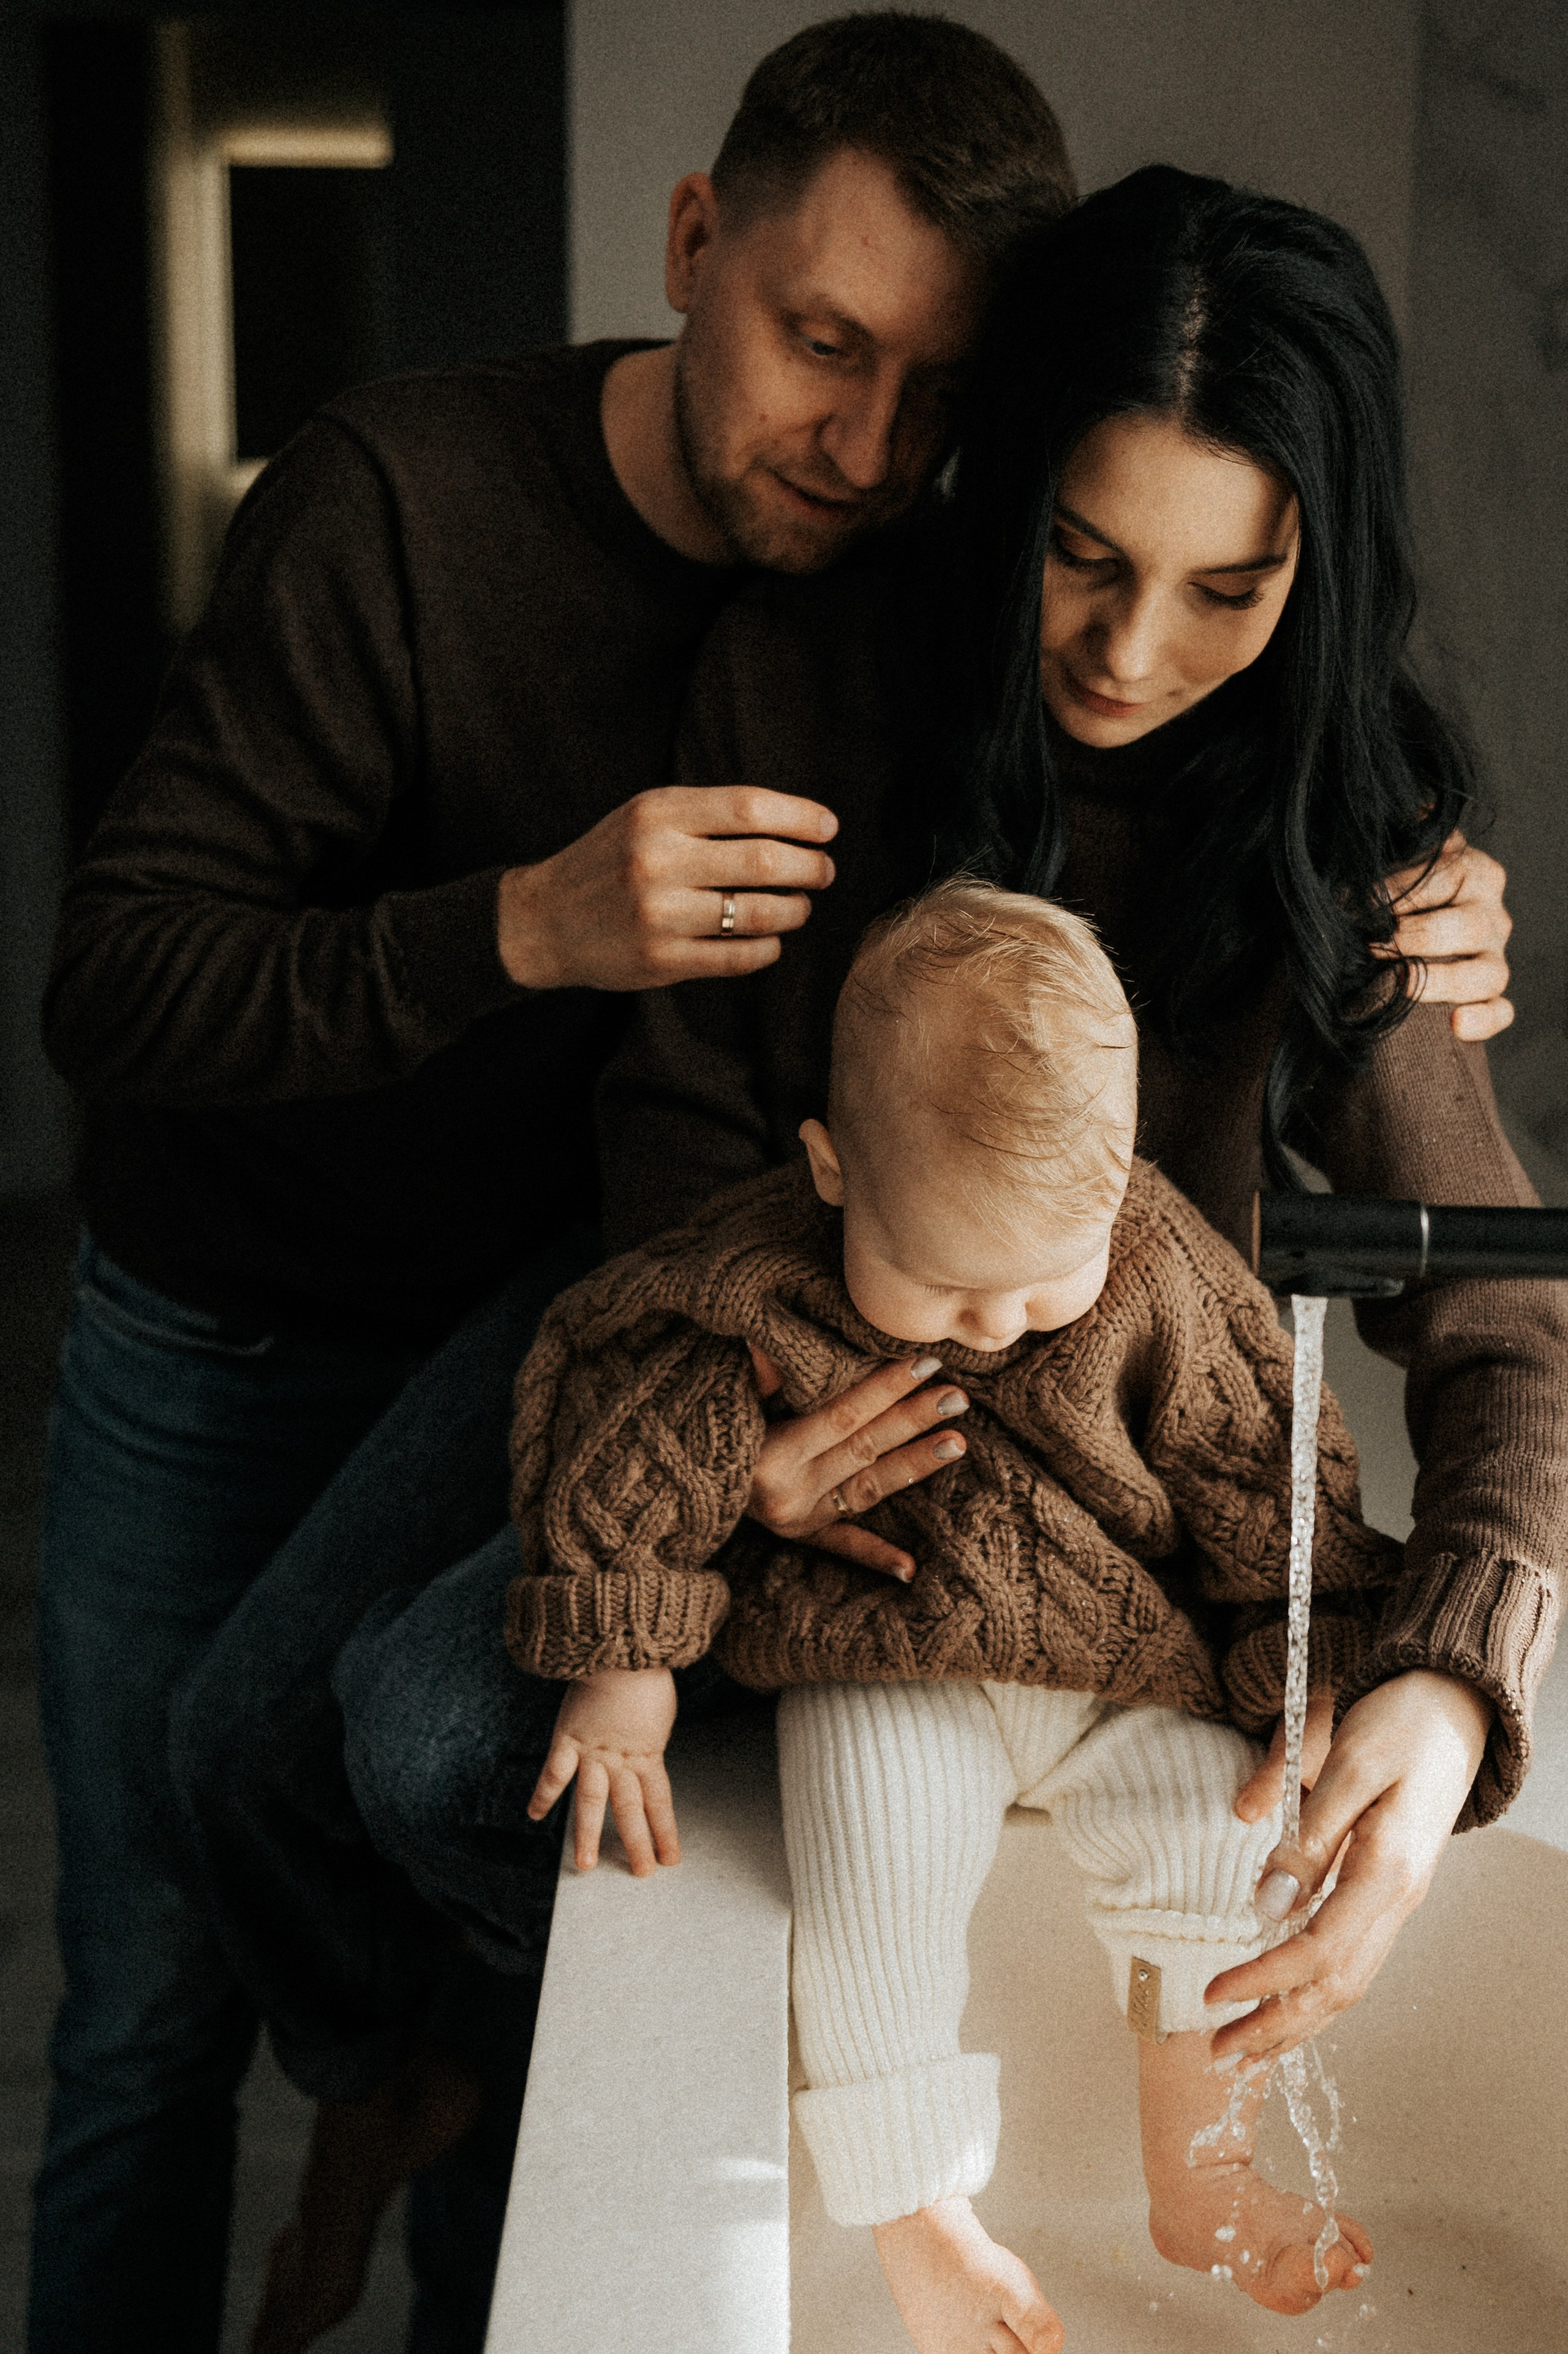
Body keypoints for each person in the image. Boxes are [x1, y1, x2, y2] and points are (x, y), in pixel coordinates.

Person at [168, 120, 1515, 2354]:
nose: (1131, 649)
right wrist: (742, 1466)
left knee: (428, 1738)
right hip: (743, 1314)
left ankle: (532, 2090)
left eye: (1226, 587)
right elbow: (681, 1138)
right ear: (1005, 492)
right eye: (1083, 556)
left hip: (1071, 1435)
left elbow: (1500, 1297)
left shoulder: (1340, 819)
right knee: (296, 1734)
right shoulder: (818, 676)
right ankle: (445, 2076)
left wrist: (1458, 1687)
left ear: (1317, 567)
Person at [32, 18, 1082, 2353]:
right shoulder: (392, 497)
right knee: (142, 2030)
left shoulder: (905, 588)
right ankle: (361, 2085)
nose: (871, 442)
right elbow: (113, 983)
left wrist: (1423, 893)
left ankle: (419, 2162)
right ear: (695, 242)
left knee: (539, 1933)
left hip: (543, 1339)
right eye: (822, 343)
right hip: (222, 1342)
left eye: (934, 387)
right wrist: (520, 924)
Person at [507, 880, 1389, 2347]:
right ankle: (920, 2214)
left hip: (1121, 1674)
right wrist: (626, 1668)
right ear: (831, 1167)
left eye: (1041, 1289)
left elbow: (1268, 1485)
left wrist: (1310, 1663)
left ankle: (1201, 2164)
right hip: (889, 1654)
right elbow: (633, 1423)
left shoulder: (1164, 1279)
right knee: (872, 1882)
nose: (990, 1326)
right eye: (938, 1286)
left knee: (1222, 1839)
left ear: (1119, 1180)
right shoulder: (760, 1271)